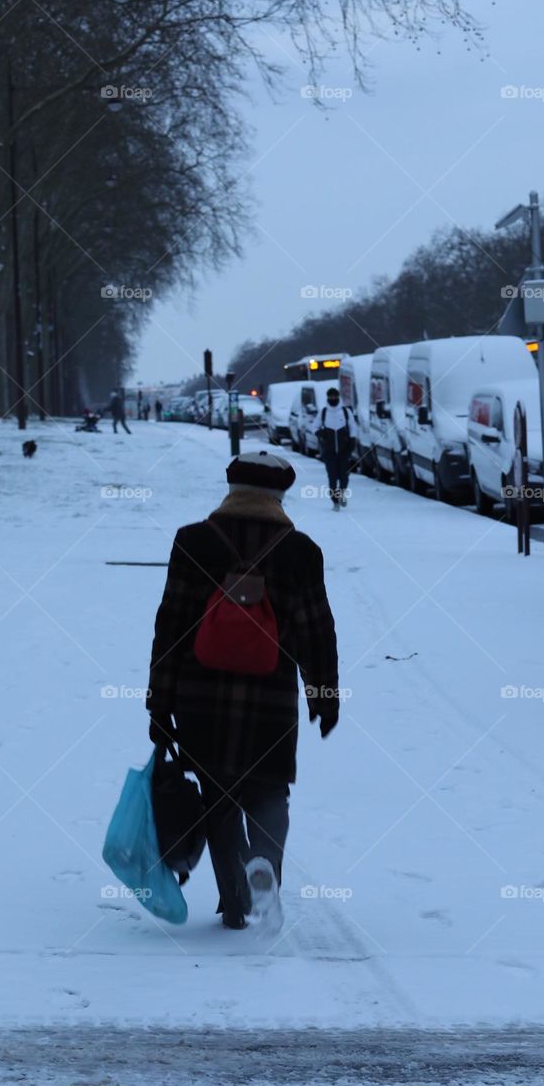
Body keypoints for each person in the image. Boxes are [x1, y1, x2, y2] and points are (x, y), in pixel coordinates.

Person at [147, 451, 339, 931]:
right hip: (271, 698)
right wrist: (324, 694)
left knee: (217, 794)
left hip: (200, 697)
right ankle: (264, 869)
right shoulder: (301, 552)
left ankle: (234, 900)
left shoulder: (193, 541)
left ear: (231, 489)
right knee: (271, 791)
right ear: (281, 494)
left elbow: (170, 624)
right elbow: (317, 630)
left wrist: (159, 700)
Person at [316, 386, 357, 509]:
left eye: (335, 396)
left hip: (344, 450)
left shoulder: (345, 412)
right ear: (327, 398)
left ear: (338, 397)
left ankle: (342, 493)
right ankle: (335, 501)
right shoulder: (323, 412)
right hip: (329, 451)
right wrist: (321, 433)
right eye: (330, 397)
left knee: (344, 475)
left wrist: (352, 441)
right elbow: (314, 427)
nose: (333, 398)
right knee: (332, 476)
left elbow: (353, 428)